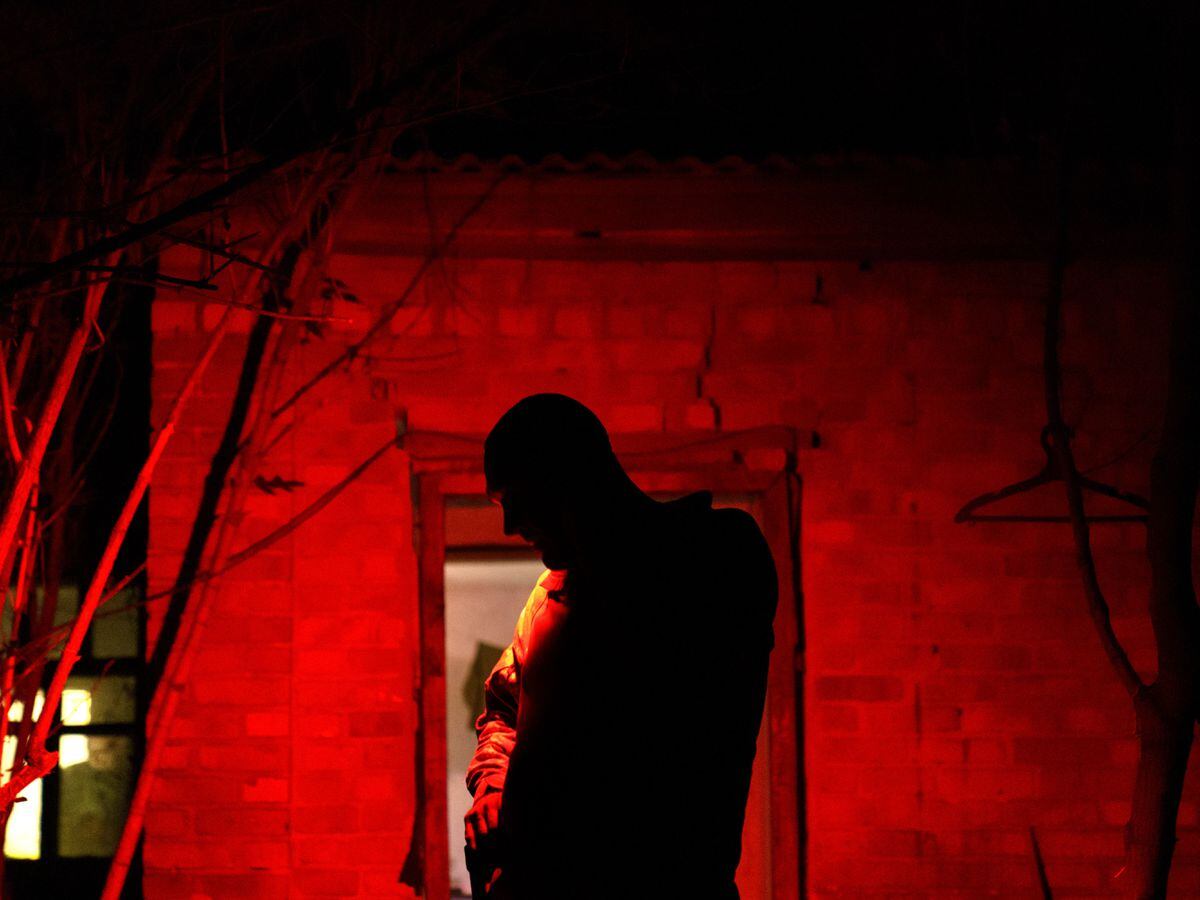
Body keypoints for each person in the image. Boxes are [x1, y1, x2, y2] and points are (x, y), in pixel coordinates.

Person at [464, 393, 778, 899]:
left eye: (514, 499)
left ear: (565, 476)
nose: (508, 526)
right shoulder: (546, 599)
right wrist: (494, 788)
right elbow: (503, 711)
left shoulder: (714, 557)